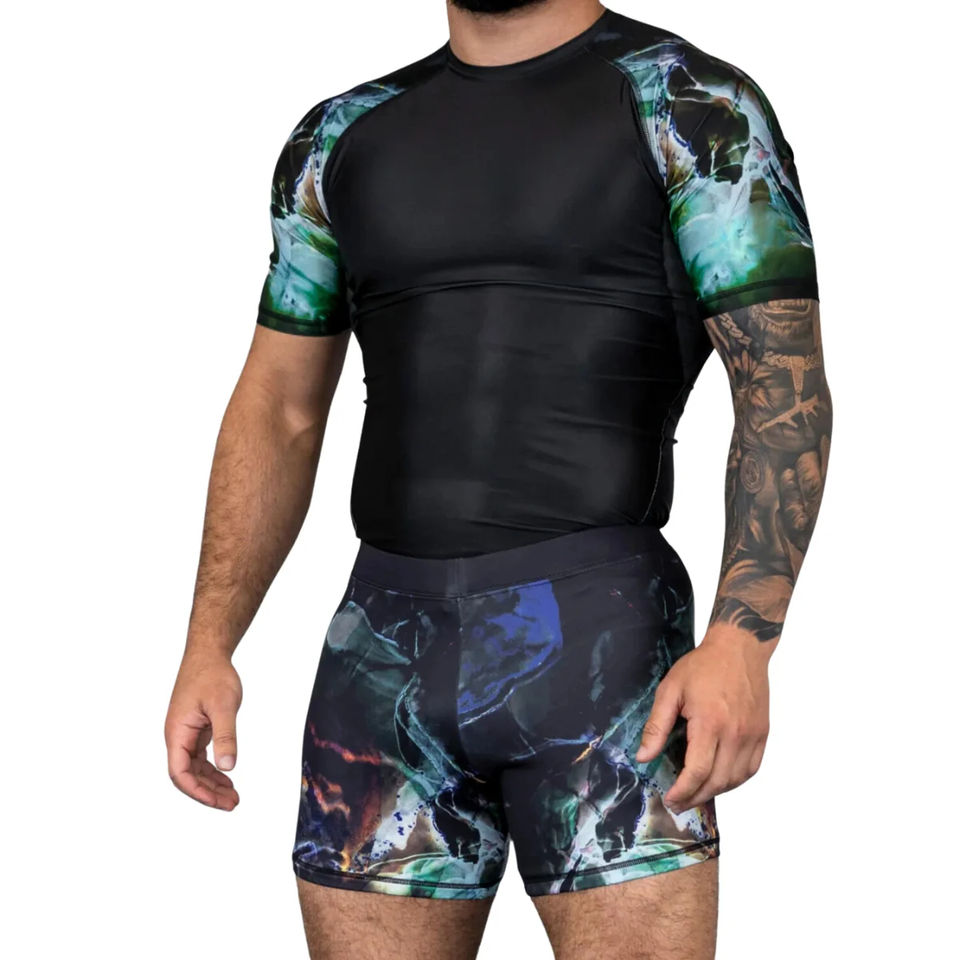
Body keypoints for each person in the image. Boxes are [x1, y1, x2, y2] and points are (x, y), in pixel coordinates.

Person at [165, 1, 832, 956]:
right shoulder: (339, 136)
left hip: (604, 650)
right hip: (382, 650)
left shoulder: (690, 105)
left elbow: (781, 382)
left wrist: (743, 637)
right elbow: (279, 406)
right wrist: (209, 640)